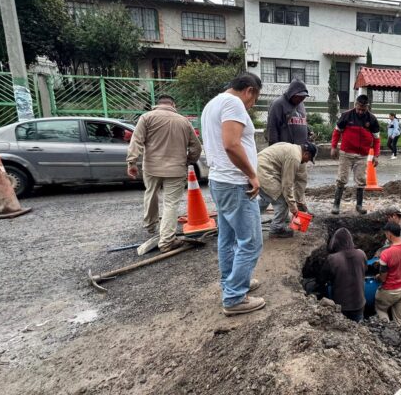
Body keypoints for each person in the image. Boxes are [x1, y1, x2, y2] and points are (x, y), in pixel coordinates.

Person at [200, 73, 265, 316]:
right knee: (251, 242)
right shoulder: (233, 103)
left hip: (220, 181)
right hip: (236, 183)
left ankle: (233, 283)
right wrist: (252, 174)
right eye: (254, 99)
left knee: (227, 239)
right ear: (249, 90)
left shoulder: (212, 104)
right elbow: (231, 144)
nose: (252, 105)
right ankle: (235, 297)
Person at [126, 94, 201, 252]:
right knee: (170, 203)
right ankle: (167, 241)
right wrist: (188, 160)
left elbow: (137, 140)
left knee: (151, 193)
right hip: (176, 168)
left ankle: (151, 226)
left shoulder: (146, 117)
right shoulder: (184, 121)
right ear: (173, 105)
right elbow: (196, 147)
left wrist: (132, 162)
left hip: (152, 167)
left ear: (157, 104)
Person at [330, 94, 381, 215]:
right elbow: (337, 131)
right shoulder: (346, 116)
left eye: (363, 109)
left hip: (362, 155)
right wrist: (333, 147)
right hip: (346, 153)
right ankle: (336, 205)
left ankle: (359, 205)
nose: (360, 111)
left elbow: (377, 139)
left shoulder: (372, 119)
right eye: (359, 108)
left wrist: (376, 155)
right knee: (341, 179)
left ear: (367, 107)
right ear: (355, 105)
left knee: (361, 180)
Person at [265, 79, 311, 213]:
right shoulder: (278, 104)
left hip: (301, 151)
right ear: (292, 94)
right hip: (286, 154)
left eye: (303, 97)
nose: (301, 99)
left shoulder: (301, 105)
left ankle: (300, 205)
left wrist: (307, 132)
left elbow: (302, 123)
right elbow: (272, 129)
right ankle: (285, 213)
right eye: (299, 96)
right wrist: (275, 150)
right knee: (286, 184)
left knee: (301, 180)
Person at [257, 142, 317, 238]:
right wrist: (293, 209)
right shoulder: (295, 158)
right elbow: (287, 185)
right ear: (306, 154)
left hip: (257, 169)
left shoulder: (293, 148)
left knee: (267, 198)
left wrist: (300, 202)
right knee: (282, 202)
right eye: (308, 160)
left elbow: (300, 181)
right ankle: (276, 229)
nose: (306, 162)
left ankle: (248, 220)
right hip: (264, 173)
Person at [318, 228, 367, 322]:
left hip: (341, 305)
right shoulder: (361, 254)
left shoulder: (332, 259)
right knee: (358, 331)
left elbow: (322, 279)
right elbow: (365, 270)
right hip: (359, 303)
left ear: (335, 241)